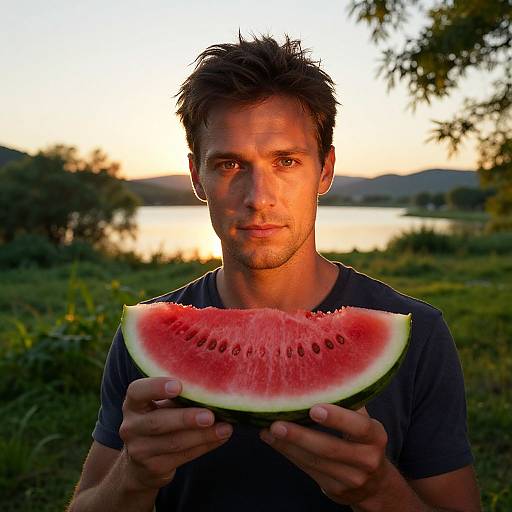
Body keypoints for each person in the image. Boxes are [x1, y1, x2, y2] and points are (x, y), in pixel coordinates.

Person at [67, 33, 481, 511]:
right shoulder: (143, 338)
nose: (259, 196)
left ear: (324, 170)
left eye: (286, 161)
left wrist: (379, 491)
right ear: (197, 177)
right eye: (229, 164)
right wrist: (134, 476)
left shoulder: (419, 336)